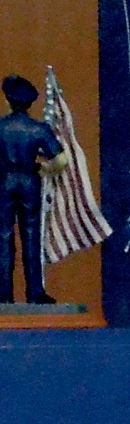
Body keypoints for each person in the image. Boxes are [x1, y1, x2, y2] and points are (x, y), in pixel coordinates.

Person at [0, 73, 63, 305]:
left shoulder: (1, 127)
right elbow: (61, 160)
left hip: (4, 182)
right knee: (31, 237)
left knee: (3, 238)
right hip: (29, 181)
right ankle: (35, 292)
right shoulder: (38, 129)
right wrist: (43, 169)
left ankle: (3, 294)